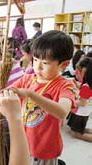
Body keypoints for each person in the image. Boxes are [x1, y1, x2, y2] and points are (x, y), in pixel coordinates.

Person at [10, 30, 76, 165]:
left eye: (45, 63)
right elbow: (10, 91)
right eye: (35, 59)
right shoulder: (28, 79)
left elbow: (62, 112)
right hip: (24, 143)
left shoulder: (65, 86)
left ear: (63, 64)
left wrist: (31, 94)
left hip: (45, 150)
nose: (37, 67)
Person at [67, 57, 92, 142]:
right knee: (78, 128)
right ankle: (86, 130)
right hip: (84, 112)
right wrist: (75, 84)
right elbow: (82, 91)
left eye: (78, 73)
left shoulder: (86, 87)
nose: (76, 75)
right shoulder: (88, 84)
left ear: (84, 72)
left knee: (76, 133)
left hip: (81, 113)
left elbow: (82, 102)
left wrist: (71, 101)